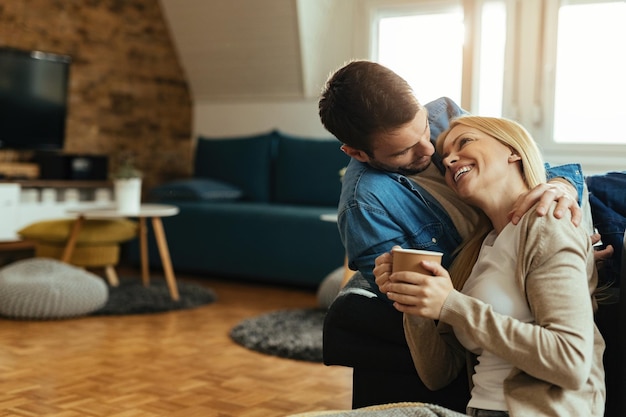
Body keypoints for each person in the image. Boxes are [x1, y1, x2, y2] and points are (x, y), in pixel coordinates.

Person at [374, 116, 606, 416]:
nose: (451, 159)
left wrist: (451, 304)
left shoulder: (548, 222)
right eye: (445, 160)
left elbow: (571, 361)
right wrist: (414, 302)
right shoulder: (476, 253)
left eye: (466, 142)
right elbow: (437, 375)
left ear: (514, 151)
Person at [318, 60, 586, 298]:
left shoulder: (443, 114)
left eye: (423, 129)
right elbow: (429, 299)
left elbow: (522, 158)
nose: (431, 149)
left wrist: (561, 188)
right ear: (357, 153)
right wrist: (543, 264)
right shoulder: (365, 206)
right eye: (404, 151)